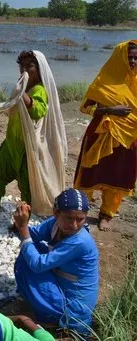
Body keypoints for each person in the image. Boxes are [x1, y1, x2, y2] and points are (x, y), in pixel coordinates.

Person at [0, 51, 64, 214]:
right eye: (22, 66)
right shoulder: (22, 86)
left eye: (30, 66)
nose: (24, 70)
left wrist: (24, 96)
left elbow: (39, 111)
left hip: (27, 146)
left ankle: (24, 217)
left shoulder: (39, 90)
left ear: (40, 69)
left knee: (26, 185)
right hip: (11, 142)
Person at [13, 188, 99, 336]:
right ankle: (41, 303)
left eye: (80, 219)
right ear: (55, 213)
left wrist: (22, 228)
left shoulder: (80, 241)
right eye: (68, 218)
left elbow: (38, 264)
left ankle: (53, 318)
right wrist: (22, 221)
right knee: (31, 251)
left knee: (30, 262)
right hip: (63, 286)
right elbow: (32, 235)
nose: (73, 225)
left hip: (73, 310)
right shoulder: (54, 224)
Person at [74, 41, 137, 231]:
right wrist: (110, 110)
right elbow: (85, 107)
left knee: (118, 175)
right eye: (129, 57)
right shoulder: (104, 80)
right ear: (119, 58)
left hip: (128, 137)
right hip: (100, 135)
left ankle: (106, 214)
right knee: (90, 172)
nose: (133, 61)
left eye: (136, 58)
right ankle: (79, 212)